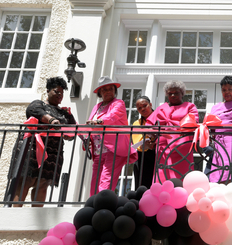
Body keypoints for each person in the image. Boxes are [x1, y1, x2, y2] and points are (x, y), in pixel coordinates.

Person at [12, 77, 76, 207]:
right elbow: (33, 111)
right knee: (26, 181)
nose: (60, 95)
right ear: (48, 91)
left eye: (62, 93)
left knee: (43, 184)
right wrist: (51, 120)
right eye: (56, 91)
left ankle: (36, 222)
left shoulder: (65, 113)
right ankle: (15, 213)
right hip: (33, 148)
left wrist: (69, 136)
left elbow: (72, 129)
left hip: (53, 152)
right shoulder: (39, 104)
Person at [87, 76, 138, 196]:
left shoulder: (118, 103)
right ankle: (93, 205)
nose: (108, 91)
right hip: (99, 150)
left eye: (111, 88)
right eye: (104, 89)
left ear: (115, 90)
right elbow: (90, 124)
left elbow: (113, 117)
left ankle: (103, 205)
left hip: (114, 148)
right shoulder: (97, 107)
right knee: (95, 179)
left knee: (106, 179)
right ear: (100, 92)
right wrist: (88, 139)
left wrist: (98, 122)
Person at [147, 80, 198, 183]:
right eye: (170, 93)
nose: (173, 95)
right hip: (163, 148)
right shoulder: (161, 108)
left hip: (181, 146)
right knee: (162, 175)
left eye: (176, 92)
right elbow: (149, 125)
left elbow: (193, 122)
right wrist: (149, 139)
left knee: (181, 176)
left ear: (182, 93)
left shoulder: (189, 107)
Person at [132, 96, 156, 189]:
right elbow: (137, 143)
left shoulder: (160, 119)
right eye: (139, 108)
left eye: (144, 106)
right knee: (142, 186)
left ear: (150, 104)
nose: (142, 109)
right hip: (143, 158)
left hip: (158, 155)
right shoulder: (136, 123)